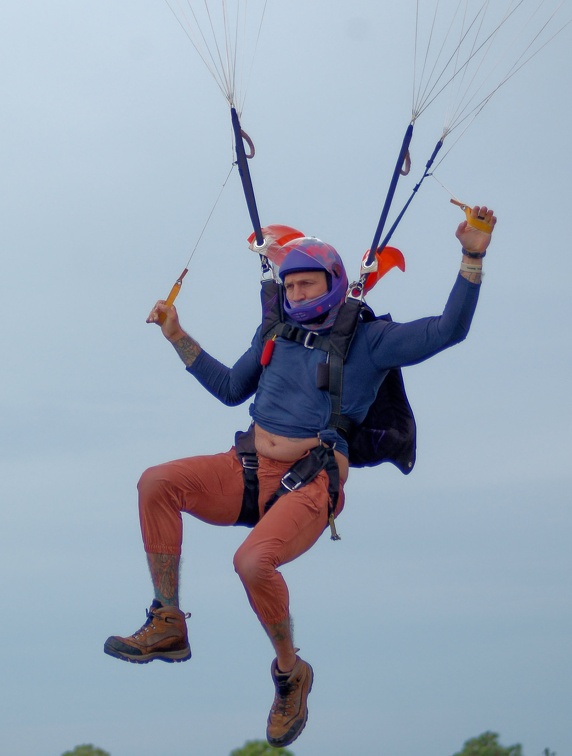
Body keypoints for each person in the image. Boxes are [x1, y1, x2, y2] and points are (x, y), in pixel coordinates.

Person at [104, 205, 496, 748]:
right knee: (156, 482)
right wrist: (177, 334)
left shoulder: (371, 339)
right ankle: (168, 620)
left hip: (312, 479)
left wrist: (472, 255)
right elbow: (229, 389)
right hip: (248, 469)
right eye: (292, 287)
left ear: (334, 285)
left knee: (251, 562)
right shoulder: (277, 332)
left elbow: (448, 330)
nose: (299, 296)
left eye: (310, 286)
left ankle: (291, 674)